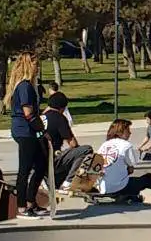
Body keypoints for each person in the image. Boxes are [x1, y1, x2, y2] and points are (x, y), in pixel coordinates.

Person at [6, 53, 48, 219]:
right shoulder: (24, 86)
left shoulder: (30, 86)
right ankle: (22, 207)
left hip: (29, 130)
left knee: (41, 165)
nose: (38, 68)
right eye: (36, 65)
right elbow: (28, 113)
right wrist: (42, 131)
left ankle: (31, 201)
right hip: (25, 131)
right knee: (25, 168)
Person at [43, 92, 93, 191]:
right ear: (62, 108)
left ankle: (47, 180)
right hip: (51, 160)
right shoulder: (59, 118)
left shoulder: (41, 117)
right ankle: (69, 182)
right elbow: (73, 143)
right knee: (86, 150)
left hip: (37, 161)